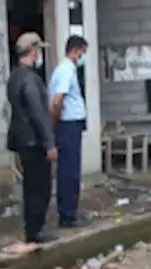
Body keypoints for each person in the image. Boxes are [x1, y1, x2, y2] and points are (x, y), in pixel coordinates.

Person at [5, 32, 57, 254]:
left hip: (22, 139)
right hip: (34, 140)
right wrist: (49, 143)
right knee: (40, 186)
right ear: (33, 51)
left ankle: (32, 227)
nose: (39, 55)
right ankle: (36, 229)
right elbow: (38, 113)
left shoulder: (15, 76)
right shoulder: (30, 79)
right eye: (38, 50)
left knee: (30, 186)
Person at [49, 35, 90, 229]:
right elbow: (58, 100)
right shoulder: (65, 70)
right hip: (67, 125)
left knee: (72, 170)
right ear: (75, 50)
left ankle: (70, 212)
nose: (82, 57)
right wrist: (54, 124)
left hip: (70, 124)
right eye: (82, 52)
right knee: (69, 171)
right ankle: (67, 215)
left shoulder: (68, 69)